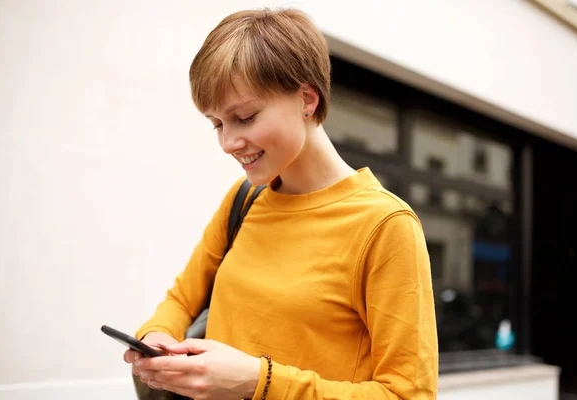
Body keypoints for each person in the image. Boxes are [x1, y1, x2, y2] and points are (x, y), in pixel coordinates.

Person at [124, 7, 438, 400]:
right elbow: (181, 300)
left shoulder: (385, 225)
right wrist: (158, 339)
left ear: (306, 99)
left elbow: (409, 394)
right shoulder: (244, 200)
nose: (227, 143)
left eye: (245, 117)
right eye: (217, 124)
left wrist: (258, 381)